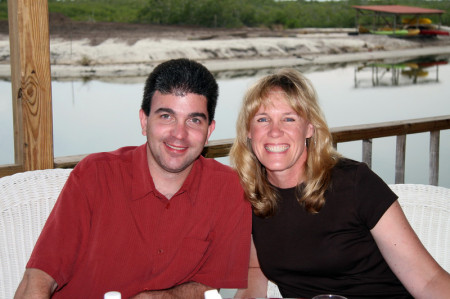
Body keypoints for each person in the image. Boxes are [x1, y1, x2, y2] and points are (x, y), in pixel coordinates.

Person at [14, 58, 252, 299]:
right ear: (144, 120)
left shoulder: (229, 189)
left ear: (209, 131)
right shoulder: (95, 174)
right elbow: (39, 277)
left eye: (194, 120)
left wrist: (157, 297)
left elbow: (209, 287)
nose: (179, 134)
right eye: (166, 116)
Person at [230, 69, 450, 298]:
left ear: (309, 128)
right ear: (249, 131)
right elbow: (255, 269)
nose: (275, 131)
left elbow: (428, 280)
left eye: (289, 118)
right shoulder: (251, 195)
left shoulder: (355, 183)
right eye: (263, 119)